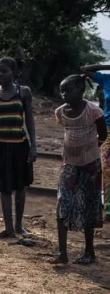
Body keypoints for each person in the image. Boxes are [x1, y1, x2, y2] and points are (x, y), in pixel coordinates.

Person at [50, 75, 106, 265]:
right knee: (62, 204)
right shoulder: (60, 112)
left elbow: (103, 135)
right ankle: (62, 253)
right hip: (69, 164)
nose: (64, 94)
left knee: (89, 206)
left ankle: (89, 252)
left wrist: (89, 148)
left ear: (81, 91)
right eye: (62, 90)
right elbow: (68, 131)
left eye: (68, 90)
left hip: (90, 164)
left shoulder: (93, 111)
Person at [0, 57, 37, 239]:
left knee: (20, 186)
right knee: (4, 187)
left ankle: (19, 226)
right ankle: (8, 228)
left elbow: (29, 120)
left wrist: (34, 146)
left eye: (4, 71)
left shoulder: (23, 92)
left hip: (19, 146)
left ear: (14, 73)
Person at [81, 63, 110, 219]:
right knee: (106, 168)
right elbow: (85, 69)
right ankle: (108, 209)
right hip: (108, 129)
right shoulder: (106, 79)